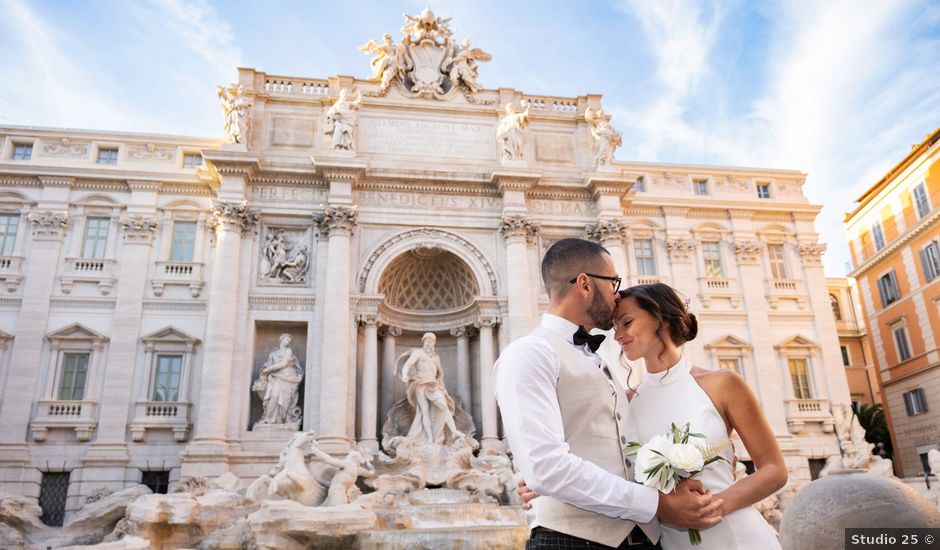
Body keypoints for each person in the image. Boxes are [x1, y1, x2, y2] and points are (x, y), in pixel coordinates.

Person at [521, 282, 787, 548]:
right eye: (615, 328)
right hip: (668, 542)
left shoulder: (722, 384)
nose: (618, 336)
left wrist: (711, 506)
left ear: (661, 319)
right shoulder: (624, 402)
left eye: (627, 322)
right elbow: (594, 462)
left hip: (735, 535)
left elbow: (774, 470)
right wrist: (539, 483)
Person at [495, 239, 722, 549]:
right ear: (585, 284)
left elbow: (610, 445)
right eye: (613, 282)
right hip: (571, 541)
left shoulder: (603, 360)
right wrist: (656, 504)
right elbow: (546, 467)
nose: (618, 294)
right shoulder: (529, 353)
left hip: (646, 539)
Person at [400, 332, 464, 444]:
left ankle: (454, 431)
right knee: (424, 411)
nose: (429, 343)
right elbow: (408, 364)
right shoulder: (418, 353)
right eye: (427, 341)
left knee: (444, 406)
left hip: (433, 385)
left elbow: (440, 373)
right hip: (420, 384)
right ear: (423, 341)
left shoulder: (435, 357)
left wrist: (441, 385)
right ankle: (429, 438)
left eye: (431, 341)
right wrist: (405, 374)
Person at [255, 334, 304, 424]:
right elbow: (267, 364)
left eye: (288, 341)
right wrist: (264, 371)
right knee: (274, 396)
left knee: (285, 401)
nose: (287, 342)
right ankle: (268, 419)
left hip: (289, 377)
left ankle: (280, 420)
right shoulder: (273, 353)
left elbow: (283, 364)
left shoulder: (288, 351)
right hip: (277, 376)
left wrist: (268, 370)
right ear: (281, 340)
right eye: (286, 340)